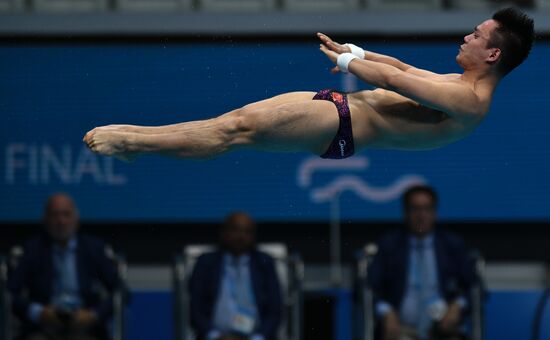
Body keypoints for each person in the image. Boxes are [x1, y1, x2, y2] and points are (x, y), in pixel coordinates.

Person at [83, 8, 534, 163]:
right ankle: (137, 143)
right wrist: (357, 50)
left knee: (234, 132)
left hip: (340, 125)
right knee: (231, 122)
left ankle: (133, 140)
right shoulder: (459, 83)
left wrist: (347, 61)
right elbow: (400, 66)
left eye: (476, 36)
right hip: (338, 109)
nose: (466, 37)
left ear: (493, 54)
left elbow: (396, 80)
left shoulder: (470, 101)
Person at [368, 185, 476, 340]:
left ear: (435, 213)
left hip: (443, 330)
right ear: (405, 213)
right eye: (415, 209)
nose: (421, 215)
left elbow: (475, 287)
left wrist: (458, 306)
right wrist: (385, 311)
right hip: (401, 330)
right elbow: (368, 287)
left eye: (427, 208)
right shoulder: (390, 245)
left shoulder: (451, 245)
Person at [8, 193, 118, 340]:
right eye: (55, 215)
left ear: (76, 219)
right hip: (42, 328)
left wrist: (94, 315)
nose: (61, 221)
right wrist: (37, 312)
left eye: (66, 214)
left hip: (85, 328)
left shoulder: (94, 248)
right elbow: (9, 294)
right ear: (45, 220)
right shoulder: (32, 249)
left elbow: (120, 292)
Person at [188, 212, 282, 340]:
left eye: (247, 231)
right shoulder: (206, 263)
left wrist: (258, 338)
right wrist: (215, 336)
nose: (241, 236)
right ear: (223, 233)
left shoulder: (264, 263)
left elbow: (275, 311)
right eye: (235, 230)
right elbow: (196, 310)